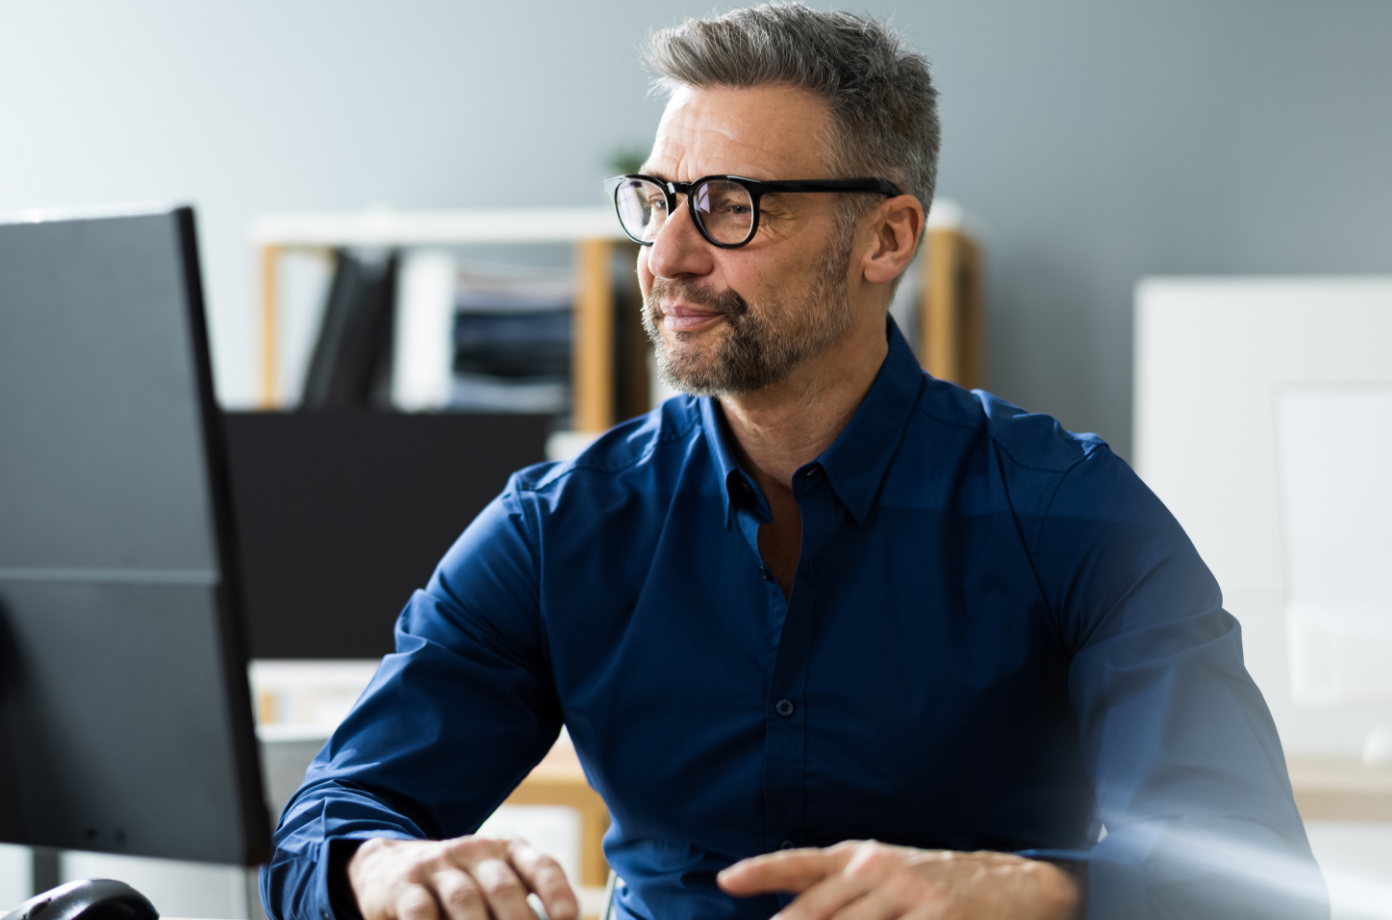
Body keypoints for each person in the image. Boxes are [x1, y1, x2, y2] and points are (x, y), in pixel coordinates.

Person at [258, 4, 1324, 919]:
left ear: (886, 240)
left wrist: (1026, 888)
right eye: (657, 201)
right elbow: (324, 828)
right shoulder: (559, 525)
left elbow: (1256, 875)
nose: (668, 255)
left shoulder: (1075, 515)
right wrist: (390, 865)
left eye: (731, 206)